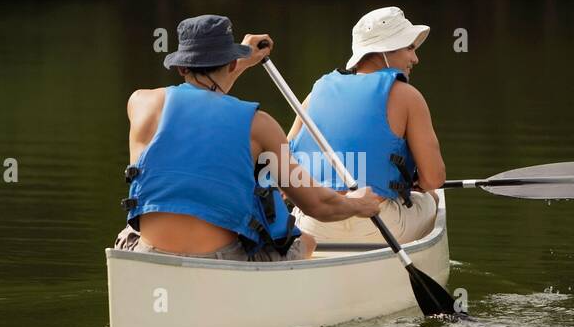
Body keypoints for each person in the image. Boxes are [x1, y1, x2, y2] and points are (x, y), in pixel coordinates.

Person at [113, 14, 383, 261]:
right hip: (219, 260)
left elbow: (200, 101)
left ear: (182, 67)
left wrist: (239, 62)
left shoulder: (141, 103)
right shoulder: (260, 126)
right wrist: (359, 204)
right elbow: (317, 205)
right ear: (231, 62)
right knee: (308, 243)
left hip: (147, 255)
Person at [288, 6, 446, 244]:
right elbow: (434, 178)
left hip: (316, 224)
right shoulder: (408, 96)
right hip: (380, 226)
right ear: (386, 50)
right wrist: (417, 185)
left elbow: (283, 163)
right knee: (434, 197)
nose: (415, 58)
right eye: (410, 48)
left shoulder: (315, 93)